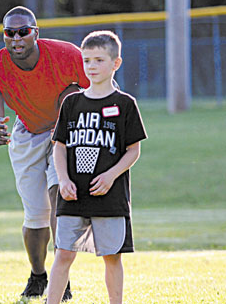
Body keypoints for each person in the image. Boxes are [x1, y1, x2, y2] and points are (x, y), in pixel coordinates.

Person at [0, 5, 90, 300]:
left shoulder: (66, 54)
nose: (16, 38)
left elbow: (102, 88)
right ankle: (38, 274)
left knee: (59, 196)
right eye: (9, 33)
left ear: (35, 33)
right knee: (36, 216)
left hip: (65, 133)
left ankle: (59, 277)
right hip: (27, 132)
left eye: (23, 32)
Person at [46, 30, 147, 304]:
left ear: (116, 63)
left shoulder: (125, 104)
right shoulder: (72, 102)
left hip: (109, 195)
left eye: (99, 60)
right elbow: (59, 146)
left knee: (112, 256)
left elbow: (133, 150)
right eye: (87, 60)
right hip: (73, 193)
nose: (91, 66)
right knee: (63, 252)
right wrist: (63, 179)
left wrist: (111, 175)